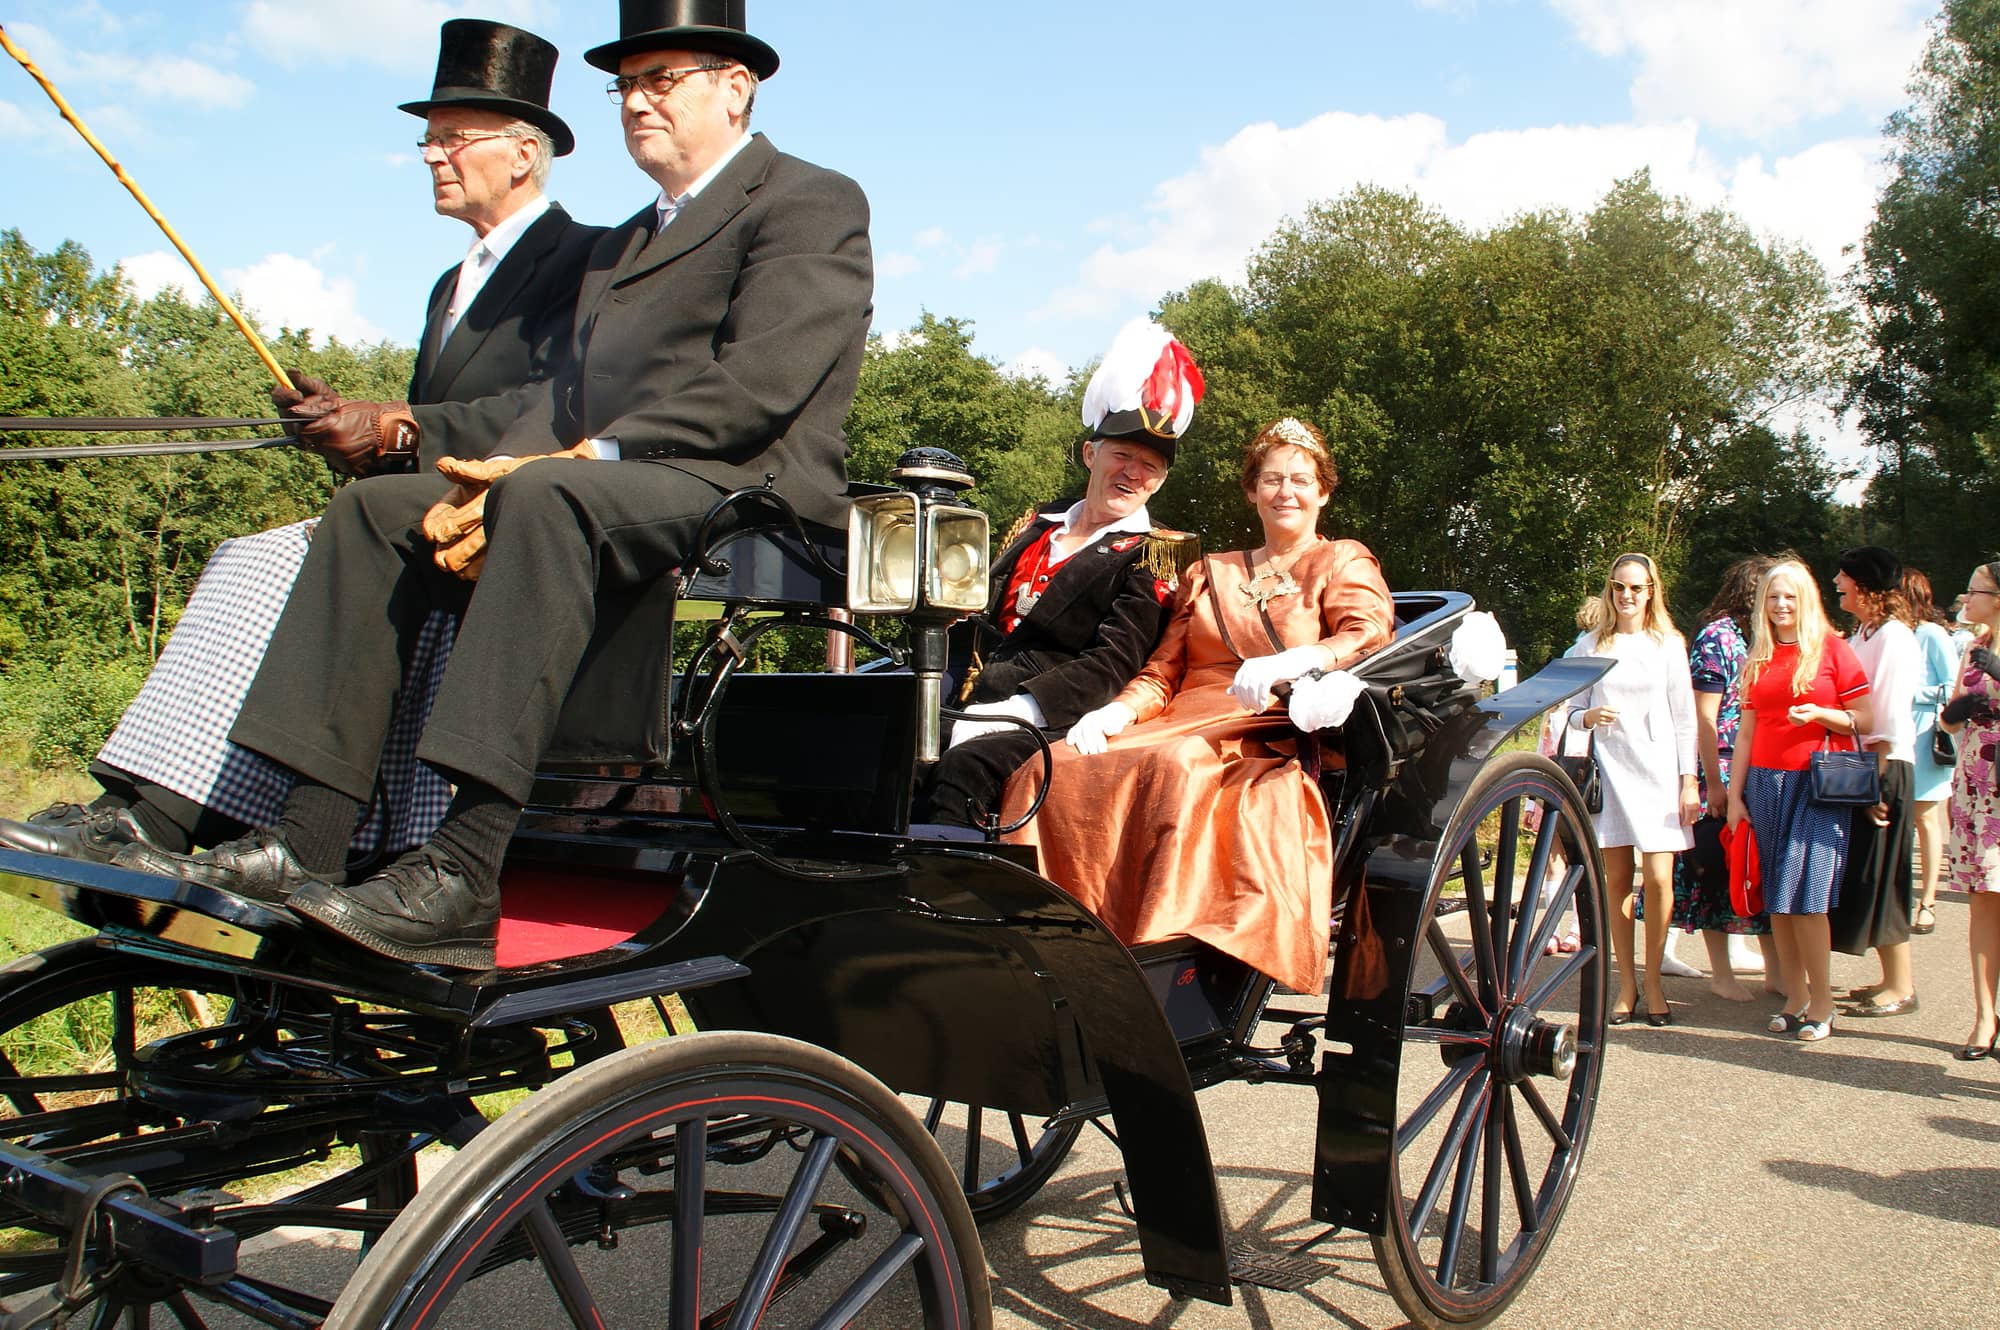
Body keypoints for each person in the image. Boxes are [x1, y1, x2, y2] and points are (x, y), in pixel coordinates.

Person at [119, 1, 873, 972]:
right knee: (374, 511)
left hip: (747, 483)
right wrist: (445, 456)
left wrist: (576, 460)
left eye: (661, 80)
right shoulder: (625, 241)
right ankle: (301, 844)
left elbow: (761, 383)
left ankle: (464, 867)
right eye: (624, 85)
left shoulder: (807, 198)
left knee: (543, 497)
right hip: (613, 477)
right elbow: (557, 397)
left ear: (735, 89)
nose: (636, 103)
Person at [0, 18, 601, 870]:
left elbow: (550, 405)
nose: (432, 155)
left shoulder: (586, 261)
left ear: (523, 153)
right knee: (251, 554)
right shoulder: (448, 284)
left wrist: (395, 423)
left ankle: (175, 821)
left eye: (452, 138)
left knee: (268, 562)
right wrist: (352, 431)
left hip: (502, 526)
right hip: (415, 513)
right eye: (426, 140)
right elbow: (421, 427)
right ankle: (144, 811)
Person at [998, 418, 1394, 997]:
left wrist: (1296, 661)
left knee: (1177, 764)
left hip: (1266, 724)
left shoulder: (1342, 560)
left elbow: (1367, 633)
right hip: (1177, 714)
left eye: (1301, 480)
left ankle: (1160, 966)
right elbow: (1162, 672)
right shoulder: (1209, 572)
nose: (1286, 491)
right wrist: (1117, 713)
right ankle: (1055, 949)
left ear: (1323, 492)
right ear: (1252, 491)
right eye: (1272, 479)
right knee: (1048, 768)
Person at [924, 320, 1203, 827]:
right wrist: (937, 694)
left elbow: (1113, 664)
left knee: (968, 765)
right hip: (973, 698)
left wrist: (1017, 712)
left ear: (1160, 481)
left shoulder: (1161, 551)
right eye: (1122, 455)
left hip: (1062, 718)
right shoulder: (1035, 524)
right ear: (1091, 454)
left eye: (1150, 466)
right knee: (884, 740)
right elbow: (974, 621)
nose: (1133, 473)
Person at [1725, 558, 1873, 1042]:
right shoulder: (1759, 657)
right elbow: (1746, 731)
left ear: (1805, 598)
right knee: (1779, 900)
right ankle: (1795, 998)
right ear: (1762, 605)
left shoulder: (1833, 651)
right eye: (1773, 597)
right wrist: (1734, 794)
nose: (1781, 605)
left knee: (1808, 899)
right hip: (1766, 783)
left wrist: (1822, 714)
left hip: (1817, 784)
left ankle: (1824, 1003)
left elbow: (1865, 720)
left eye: (1789, 596)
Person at [1563, 553, 1699, 1027]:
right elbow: (1567, 709)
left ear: (1651, 592)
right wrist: (1588, 717)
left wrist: (1689, 780)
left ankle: (1655, 979)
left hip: (1659, 771)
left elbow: (1685, 718)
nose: (1626, 596)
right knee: (1616, 881)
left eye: (1636, 588)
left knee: (1660, 879)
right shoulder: (1589, 645)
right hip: (1611, 769)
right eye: (1618, 586)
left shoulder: (1668, 645)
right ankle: (1626, 984)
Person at [1671, 555, 1778, 1001]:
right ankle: (1721, 974)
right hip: (1722, 766)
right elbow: (1704, 716)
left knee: (1763, 871)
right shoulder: (1718, 637)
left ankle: (1776, 971)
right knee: (1715, 870)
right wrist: (1711, 783)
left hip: (1759, 769)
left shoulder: (1760, 639)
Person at [1830, 547, 1923, 1018]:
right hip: (1864, 764)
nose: (1837, 582)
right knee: (1868, 873)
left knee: (1886, 874)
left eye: (1845, 577)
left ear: (1865, 585)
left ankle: (1901, 986)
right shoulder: (1865, 634)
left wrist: (1874, 787)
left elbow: (1883, 719)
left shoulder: (1894, 638)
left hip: (1886, 767)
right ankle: (1890, 977)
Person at [1938, 558, 2000, 1060]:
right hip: (1979, 792)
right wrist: (1958, 712)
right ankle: (1984, 1016)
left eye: (1973, 590)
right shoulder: (1975, 649)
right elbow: (1951, 723)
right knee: (1983, 901)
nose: (1965, 598)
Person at [1905, 567, 1959, 936]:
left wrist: (1912, 692)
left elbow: (1953, 687)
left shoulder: (1932, 634)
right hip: (1897, 737)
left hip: (1926, 737)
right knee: (1898, 819)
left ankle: (1927, 900)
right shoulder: (1891, 634)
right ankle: (1899, 896)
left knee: (1925, 819)